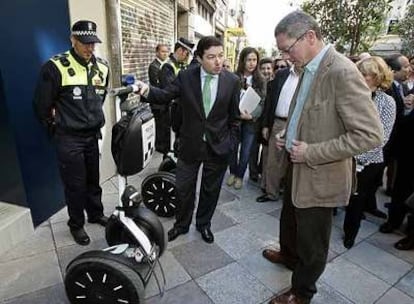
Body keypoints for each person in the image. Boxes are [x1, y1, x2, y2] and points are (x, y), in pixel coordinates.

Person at [267, 11, 383, 304]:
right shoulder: (308, 67)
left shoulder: (341, 72)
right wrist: (287, 135)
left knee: (313, 242)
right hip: (297, 164)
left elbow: (370, 135)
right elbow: (305, 112)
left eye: (287, 49)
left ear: (309, 37)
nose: (285, 56)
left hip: (320, 174)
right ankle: (289, 256)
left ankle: (302, 292)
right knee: (290, 221)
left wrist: (312, 152)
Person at [137, 36, 240, 244]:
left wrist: (230, 143)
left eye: (220, 56)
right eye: (211, 57)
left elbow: (234, 118)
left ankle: (204, 225)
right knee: (184, 189)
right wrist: (146, 90)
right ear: (200, 58)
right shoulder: (186, 77)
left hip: (218, 146)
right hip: (190, 145)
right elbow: (165, 95)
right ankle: (181, 225)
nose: (218, 61)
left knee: (210, 190)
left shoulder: (232, 81)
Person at [33, 20, 110, 246]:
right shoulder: (55, 67)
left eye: (93, 43)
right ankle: (76, 224)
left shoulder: (102, 67)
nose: (89, 48)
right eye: (84, 43)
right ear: (72, 40)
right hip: (69, 138)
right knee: (75, 185)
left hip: (92, 136)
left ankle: (95, 214)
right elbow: (41, 105)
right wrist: (55, 127)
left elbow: (100, 98)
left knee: (93, 181)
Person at [343, 56, 396, 249]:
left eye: (364, 75)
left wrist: (357, 153)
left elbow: (382, 138)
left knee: (357, 198)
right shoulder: (350, 96)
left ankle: (350, 233)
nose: (359, 77)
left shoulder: (387, 102)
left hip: (369, 160)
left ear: (376, 77)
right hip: (343, 155)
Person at [257, 62, 300, 203]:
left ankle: (291, 195)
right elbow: (270, 101)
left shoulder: (311, 76)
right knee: (273, 160)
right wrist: (266, 125)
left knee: (295, 160)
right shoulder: (282, 74)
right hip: (278, 122)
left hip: (299, 124)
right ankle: (271, 192)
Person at [227, 47, 266, 189]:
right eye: (249, 60)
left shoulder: (260, 80)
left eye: (254, 60)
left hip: (250, 122)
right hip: (235, 120)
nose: (251, 63)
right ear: (243, 60)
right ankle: (232, 172)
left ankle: (239, 176)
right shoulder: (233, 77)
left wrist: (252, 115)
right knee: (232, 149)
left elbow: (262, 102)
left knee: (246, 151)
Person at [156, 37, 194, 155]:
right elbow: (171, 90)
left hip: (180, 111)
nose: (187, 56)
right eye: (186, 53)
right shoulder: (168, 66)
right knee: (169, 147)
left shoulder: (181, 65)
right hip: (169, 111)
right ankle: (167, 170)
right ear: (180, 51)